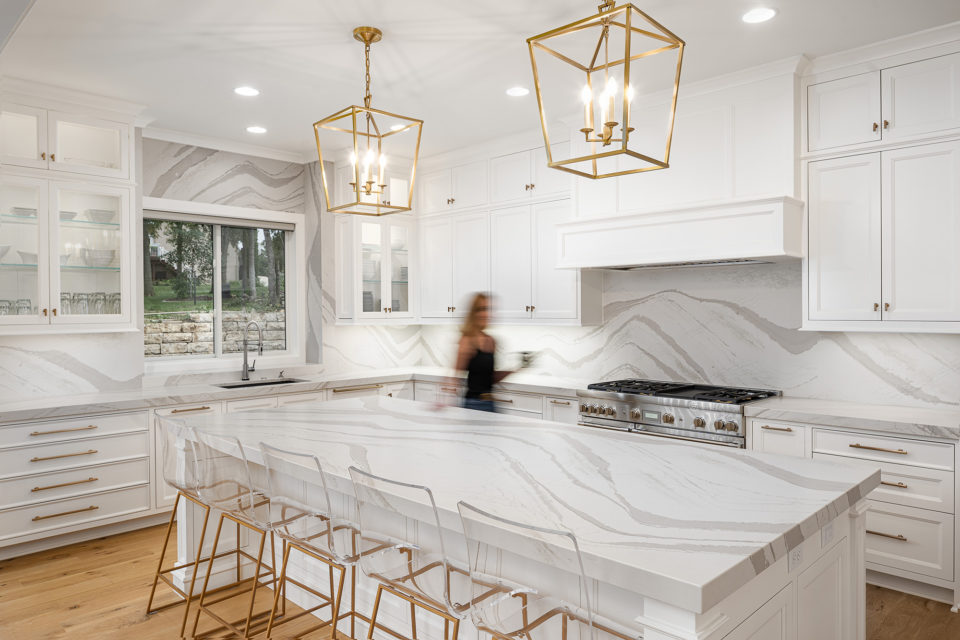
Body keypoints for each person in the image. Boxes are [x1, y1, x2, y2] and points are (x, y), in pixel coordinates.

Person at [456, 292, 514, 412]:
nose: (486, 314)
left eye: (488, 309)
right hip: (472, 404)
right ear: (474, 313)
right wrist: (444, 402)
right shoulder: (467, 340)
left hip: (490, 403)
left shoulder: (491, 340)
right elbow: (455, 375)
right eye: (481, 309)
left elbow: (490, 377)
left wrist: (515, 370)